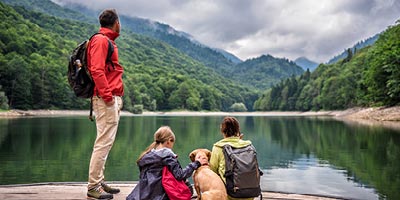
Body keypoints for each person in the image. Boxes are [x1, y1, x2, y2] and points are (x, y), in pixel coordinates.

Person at [86, 8, 124, 200]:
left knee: (105, 143)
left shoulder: (106, 41)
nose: (120, 25)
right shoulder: (101, 40)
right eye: (120, 21)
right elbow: (97, 70)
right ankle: (93, 187)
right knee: (103, 143)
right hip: (105, 99)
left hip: (108, 99)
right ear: (115, 22)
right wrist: (109, 97)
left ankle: (99, 181)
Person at [127, 126, 206, 200]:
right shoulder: (167, 157)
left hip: (144, 194)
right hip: (162, 196)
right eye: (172, 143)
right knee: (187, 189)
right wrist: (196, 163)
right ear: (169, 141)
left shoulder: (146, 156)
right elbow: (180, 175)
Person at [209, 116, 254, 200]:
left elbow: (212, 172)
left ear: (222, 131)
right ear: (238, 130)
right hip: (251, 193)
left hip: (230, 195)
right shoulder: (248, 145)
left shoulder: (218, 147)